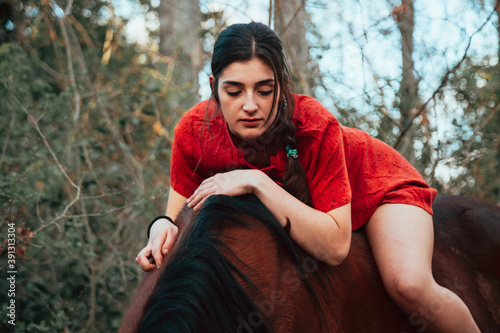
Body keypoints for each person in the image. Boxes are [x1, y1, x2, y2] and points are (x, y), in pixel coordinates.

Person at [136, 22, 479, 332]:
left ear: (282, 87)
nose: (250, 105)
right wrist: (158, 228)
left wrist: (256, 181)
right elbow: (175, 215)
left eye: (264, 90)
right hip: (314, 204)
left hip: (377, 186)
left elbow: (334, 248)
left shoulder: (312, 124)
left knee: (410, 285)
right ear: (214, 87)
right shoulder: (193, 131)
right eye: (234, 91)